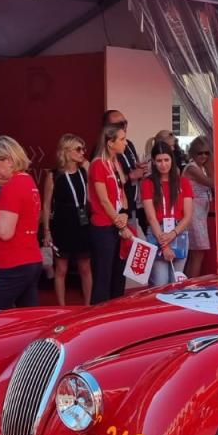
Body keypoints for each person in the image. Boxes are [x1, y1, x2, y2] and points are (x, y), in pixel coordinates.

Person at [0, 137, 43, 310]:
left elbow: (5, 232)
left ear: (9, 161)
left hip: (13, 264)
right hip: (30, 259)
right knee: (27, 319)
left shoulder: (13, 186)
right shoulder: (27, 180)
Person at [41, 133, 93, 306]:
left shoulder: (84, 171)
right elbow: (47, 205)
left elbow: (91, 197)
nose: (82, 152)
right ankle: (62, 307)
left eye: (83, 148)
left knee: (85, 267)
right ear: (67, 151)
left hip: (82, 223)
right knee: (61, 268)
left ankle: (87, 306)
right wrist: (47, 231)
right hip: (62, 225)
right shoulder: (54, 175)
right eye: (78, 149)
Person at [88, 123, 134, 303]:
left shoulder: (114, 164)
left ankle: (116, 313)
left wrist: (124, 214)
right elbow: (103, 200)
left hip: (116, 225)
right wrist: (119, 221)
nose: (125, 143)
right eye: (122, 140)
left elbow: (122, 193)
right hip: (103, 227)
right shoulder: (98, 164)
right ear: (110, 142)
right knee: (103, 276)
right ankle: (98, 317)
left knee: (118, 274)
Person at [141, 142, 194, 285]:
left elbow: (188, 215)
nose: (163, 164)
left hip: (179, 232)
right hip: (157, 233)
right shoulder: (147, 183)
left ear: (172, 159)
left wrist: (174, 233)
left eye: (166, 160)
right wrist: (164, 245)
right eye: (159, 160)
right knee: (160, 283)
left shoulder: (183, 182)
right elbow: (151, 217)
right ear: (153, 162)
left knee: (176, 283)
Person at [103, 109, 144, 225]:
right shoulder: (102, 151)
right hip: (115, 211)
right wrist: (131, 175)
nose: (124, 126)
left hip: (131, 203)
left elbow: (130, 165)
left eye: (125, 122)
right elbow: (105, 182)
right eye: (120, 124)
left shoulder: (128, 143)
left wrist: (137, 167)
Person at [182, 136, 214, 278]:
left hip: (200, 214)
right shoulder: (192, 168)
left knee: (196, 253)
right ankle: (192, 285)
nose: (203, 156)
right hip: (193, 214)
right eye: (200, 153)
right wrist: (210, 164)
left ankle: (190, 284)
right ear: (193, 153)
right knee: (197, 253)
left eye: (207, 153)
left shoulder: (201, 167)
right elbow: (213, 183)